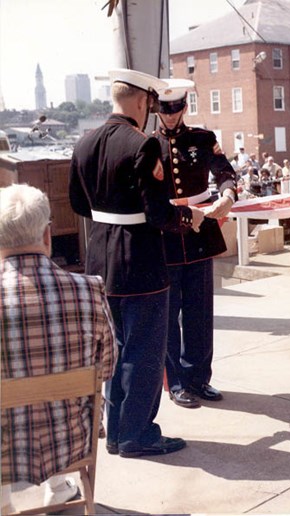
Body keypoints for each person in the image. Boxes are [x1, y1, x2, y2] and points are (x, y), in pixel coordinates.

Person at [69, 68, 204, 458]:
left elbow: (79, 204)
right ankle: (136, 434)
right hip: (140, 261)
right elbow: (159, 214)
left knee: (114, 349)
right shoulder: (143, 146)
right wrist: (189, 219)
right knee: (144, 352)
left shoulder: (84, 143)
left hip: (99, 260)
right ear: (144, 101)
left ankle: (115, 432)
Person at [0, 184, 117, 511]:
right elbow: (107, 367)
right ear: (47, 235)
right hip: (71, 441)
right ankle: (59, 487)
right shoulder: (90, 290)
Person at [154, 78, 238, 408]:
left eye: (175, 110)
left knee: (200, 311)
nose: (170, 116)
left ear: (184, 108)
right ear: (157, 111)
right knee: (169, 313)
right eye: (164, 111)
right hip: (168, 235)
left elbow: (224, 170)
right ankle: (175, 383)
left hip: (201, 233)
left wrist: (228, 194)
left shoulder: (203, 139)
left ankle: (199, 378)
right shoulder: (148, 145)